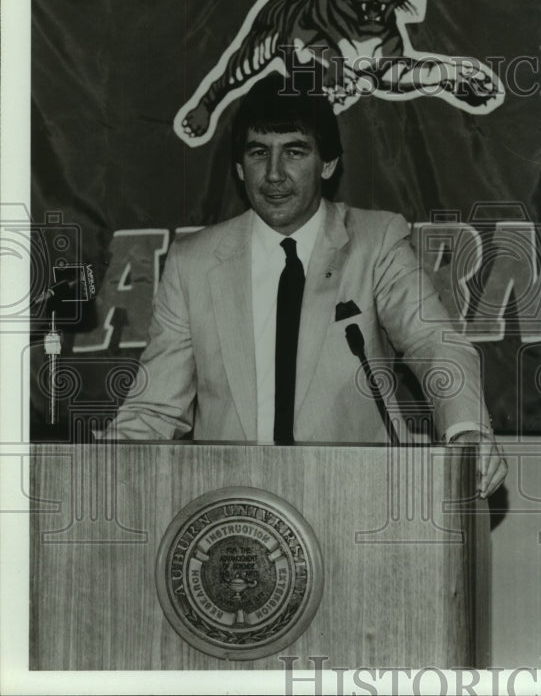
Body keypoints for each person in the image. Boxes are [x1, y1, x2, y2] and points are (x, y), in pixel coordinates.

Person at [106, 74, 506, 496]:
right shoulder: (193, 262)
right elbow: (154, 409)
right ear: (240, 168)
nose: (274, 174)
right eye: (259, 153)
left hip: (359, 502)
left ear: (328, 163)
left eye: (294, 152)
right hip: (231, 514)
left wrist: (466, 431)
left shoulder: (376, 241)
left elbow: (434, 343)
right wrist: (96, 473)